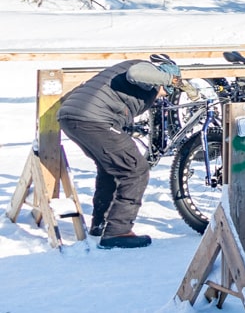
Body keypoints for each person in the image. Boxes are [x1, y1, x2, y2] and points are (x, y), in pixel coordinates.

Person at [57, 59, 194, 249]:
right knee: (135, 170)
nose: (163, 97)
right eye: (165, 92)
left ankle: (101, 225)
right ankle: (118, 232)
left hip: (73, 118)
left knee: (112, 169)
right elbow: (136, 74)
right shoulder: (146, 72)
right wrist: (173, 80)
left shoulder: (122, 72)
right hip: (95, 121)